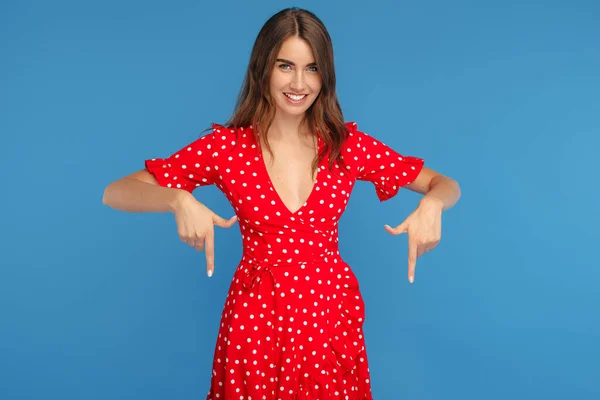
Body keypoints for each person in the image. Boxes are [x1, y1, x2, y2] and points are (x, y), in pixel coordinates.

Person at [103, 7, 461, 399]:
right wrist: (175, 199)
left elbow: (443, 184)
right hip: (256, 325)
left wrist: (433, 206)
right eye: (285, 65)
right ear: (263, 68)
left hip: (329, 321)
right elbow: (116, 192)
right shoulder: (227, 149)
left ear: (325, 75)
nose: (298, 82)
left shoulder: (346, 146)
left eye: (311, 68)